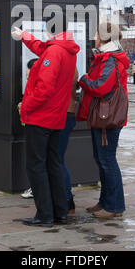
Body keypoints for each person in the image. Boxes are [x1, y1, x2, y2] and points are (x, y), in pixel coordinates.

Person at [12, 22, 80, 227]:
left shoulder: (54, 52)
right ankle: (60, 212)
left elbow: (44, 89)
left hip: (41, 117)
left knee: (36, 166)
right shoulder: (65, 49)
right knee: (54, 164)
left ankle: (44, 215)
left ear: (50, 31)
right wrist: (24, 36)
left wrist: (26, 107)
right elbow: (43, 49)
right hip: (57, 117)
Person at [77, 23, 130, 219]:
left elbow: (101, 88)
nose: (95, 36)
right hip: (102, 118)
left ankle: (115, 206)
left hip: (107, 120)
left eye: (97, 33)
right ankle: (105, 202)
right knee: (102, 161)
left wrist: (82, 78)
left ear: (104, 37)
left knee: (107, 161)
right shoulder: (105, 57)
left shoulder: (110, 60)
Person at [58, 66, 79, 214]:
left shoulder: (58, 58)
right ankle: (66, 201)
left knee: (56, 160)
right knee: (57, 160)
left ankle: (66, 200)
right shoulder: (70, 60)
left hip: (61, 114)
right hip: (68, 113)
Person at [19, 58, 38, 199]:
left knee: (36, 161)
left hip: (37, 123)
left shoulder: (37, 84)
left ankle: (36, 189)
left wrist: (24, 107)